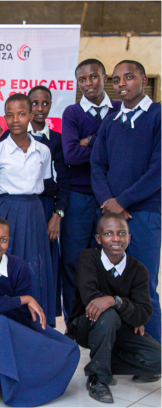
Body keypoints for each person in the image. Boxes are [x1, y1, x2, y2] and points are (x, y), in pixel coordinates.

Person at [0, 216, 80, 408]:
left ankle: (8, 372)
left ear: (9, 241)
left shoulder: (18, 265)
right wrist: (24, 299)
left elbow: (22, 314)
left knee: (68, 349)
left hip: (15, 322)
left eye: (3, 239)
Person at [91, 60, 162, 344]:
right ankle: (123, 351)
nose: (122, 84)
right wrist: (108, 201)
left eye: (129, 77)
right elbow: (97, 164)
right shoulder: (111, 120)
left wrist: (123, 201)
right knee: (114, 285)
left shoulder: (158, 116)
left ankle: (153, 352)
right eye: (117, 79)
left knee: (144, 286)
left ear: (144, 80)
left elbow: (158, 169)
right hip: (112, 215)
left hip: (143, 215)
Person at [68, 213, 162, 403]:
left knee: (158, 359)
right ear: (98, 238)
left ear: (129, 237)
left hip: (120, 328)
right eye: (108, 234)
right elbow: (91, 300)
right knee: (108, 315)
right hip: (86, 325)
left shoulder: (138, 269)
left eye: (121, 233)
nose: (116, 238)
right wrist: (128, 310)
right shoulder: (88, 258)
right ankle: (97, 378)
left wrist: (115, 301)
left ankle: (104, 361)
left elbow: (143, 313)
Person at [0, 93, 56, 323]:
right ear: (4, 118)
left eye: (22, 114)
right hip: (5, 210)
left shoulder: (43, 151)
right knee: (6, 261)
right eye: (10, 115)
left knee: (35, 264)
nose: (16, 120)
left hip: (33, 210)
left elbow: (44, 181)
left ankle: (36, 320)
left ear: (31, 115)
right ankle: (7, 317)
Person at [0, 86, 70, 318]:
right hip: (16, 206)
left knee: (40, 263)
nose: (40, 109)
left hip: (43, 207)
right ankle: (13, 314)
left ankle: (41, 317)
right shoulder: (5, 141)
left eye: (45, 103)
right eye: (35, 103)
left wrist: (57, 214)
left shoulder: (54, 142)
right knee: (13, 257)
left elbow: (61, 181)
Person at [60, 59, 122, 320]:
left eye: (93, 77)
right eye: (82, 80)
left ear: (104, 77)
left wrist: (89, 141)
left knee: (110, 261)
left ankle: (105, 320)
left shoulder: (119, 109)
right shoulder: (72, 113)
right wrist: (104, 141)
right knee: (74, 261)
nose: (88, 84)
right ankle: (75, 323)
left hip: (111, 198)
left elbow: (121, 152)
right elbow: (71, 155)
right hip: (79, 196)